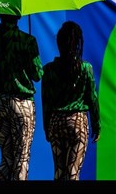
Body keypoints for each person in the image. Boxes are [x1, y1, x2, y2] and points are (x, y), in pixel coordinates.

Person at [0, 13, 43, 180]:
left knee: (6, 157)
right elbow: (37, 74)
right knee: (21, 158)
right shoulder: (28, 41)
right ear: (19, 15)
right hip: (22, 103)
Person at [41, 21, 100, 180]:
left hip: (56, 122)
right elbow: (92, 99)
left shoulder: (48, 70)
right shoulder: (85, 68)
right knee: (73, 172)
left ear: (59, 43)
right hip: (78, 122)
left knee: (59, 172)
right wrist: (96, 125)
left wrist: (47, 127)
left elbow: (46, 101)